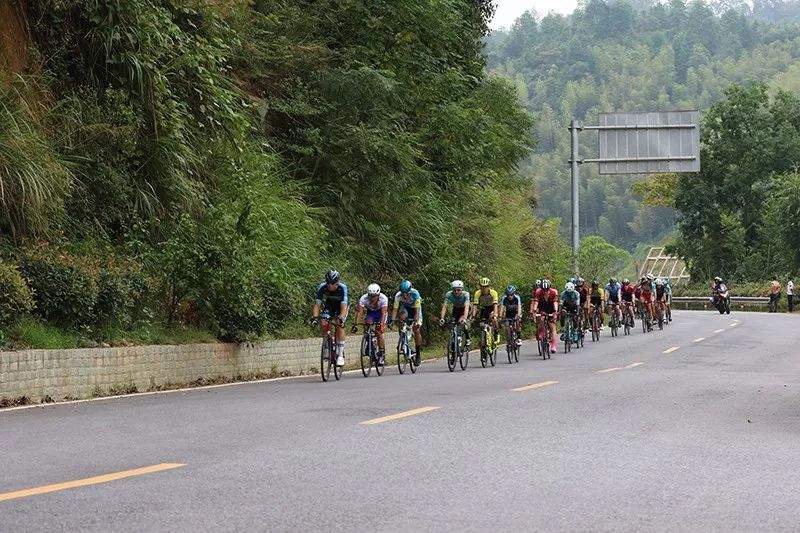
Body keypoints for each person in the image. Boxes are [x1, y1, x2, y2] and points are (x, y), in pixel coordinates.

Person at [312, 270, 349, 366]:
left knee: (340, 324)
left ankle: (340, 354)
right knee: (324, 322)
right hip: (329, 306)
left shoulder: (342, 287)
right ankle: (327, 346)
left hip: (341, 306)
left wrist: (341, 317)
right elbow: (317, 304)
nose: (329, 286)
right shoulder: (322, 287)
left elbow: (344, 306)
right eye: (327, 283)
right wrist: (315, 317)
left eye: (332, 283)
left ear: (337, 283)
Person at [351, 283, 389, 365]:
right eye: (370, 296)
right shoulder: (363, 298)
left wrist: (381, 324)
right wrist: (356, 323)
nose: (372, 298)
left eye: (374, 296)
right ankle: (369, 342)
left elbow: (383, 314)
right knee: (367, 323)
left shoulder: (383, 299)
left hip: (381, 313)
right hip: (371, 313)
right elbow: (360, 312)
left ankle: (382, 354)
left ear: (378, 295)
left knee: (379, 332)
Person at [392, 280, 424, 364]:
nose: (405, 296)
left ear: (410, 291)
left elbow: (417, 312)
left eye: (407, 293)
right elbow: (395, 309)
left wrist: (416, 321)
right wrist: (392, 320)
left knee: (416, 329)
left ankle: (418, 353)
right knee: (400, 319)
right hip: (406, 308)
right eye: (403, 293)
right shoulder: (398, 295)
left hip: (415, 309)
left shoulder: (415, 293)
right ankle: (402, 338)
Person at [530, 279, 559, 354]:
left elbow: (555, 302)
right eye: (543, 290)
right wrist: (534, 311)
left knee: (552, 326)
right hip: (543, 307)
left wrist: (555, 312)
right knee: (541, 319)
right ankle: (541, 332)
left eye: (547, 290)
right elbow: (536, 302)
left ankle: (553, 345)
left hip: (551, 307)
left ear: (549, 288)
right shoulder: (538, 292)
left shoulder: (554, 292)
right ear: (541, 289)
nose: (545, 291)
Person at [439, 280, 471, 345]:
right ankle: (455, 340)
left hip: (464, 309)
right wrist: (442, 318)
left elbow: (467, 307)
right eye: (454, 290)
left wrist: (464, 318)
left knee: (462, 323)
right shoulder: (449, 294)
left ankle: (468, 338)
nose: (456, 292)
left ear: (462, 289)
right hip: (456, 309)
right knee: (453, 323)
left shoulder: (466, 294)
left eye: (458, 290)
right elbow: (444, 307)